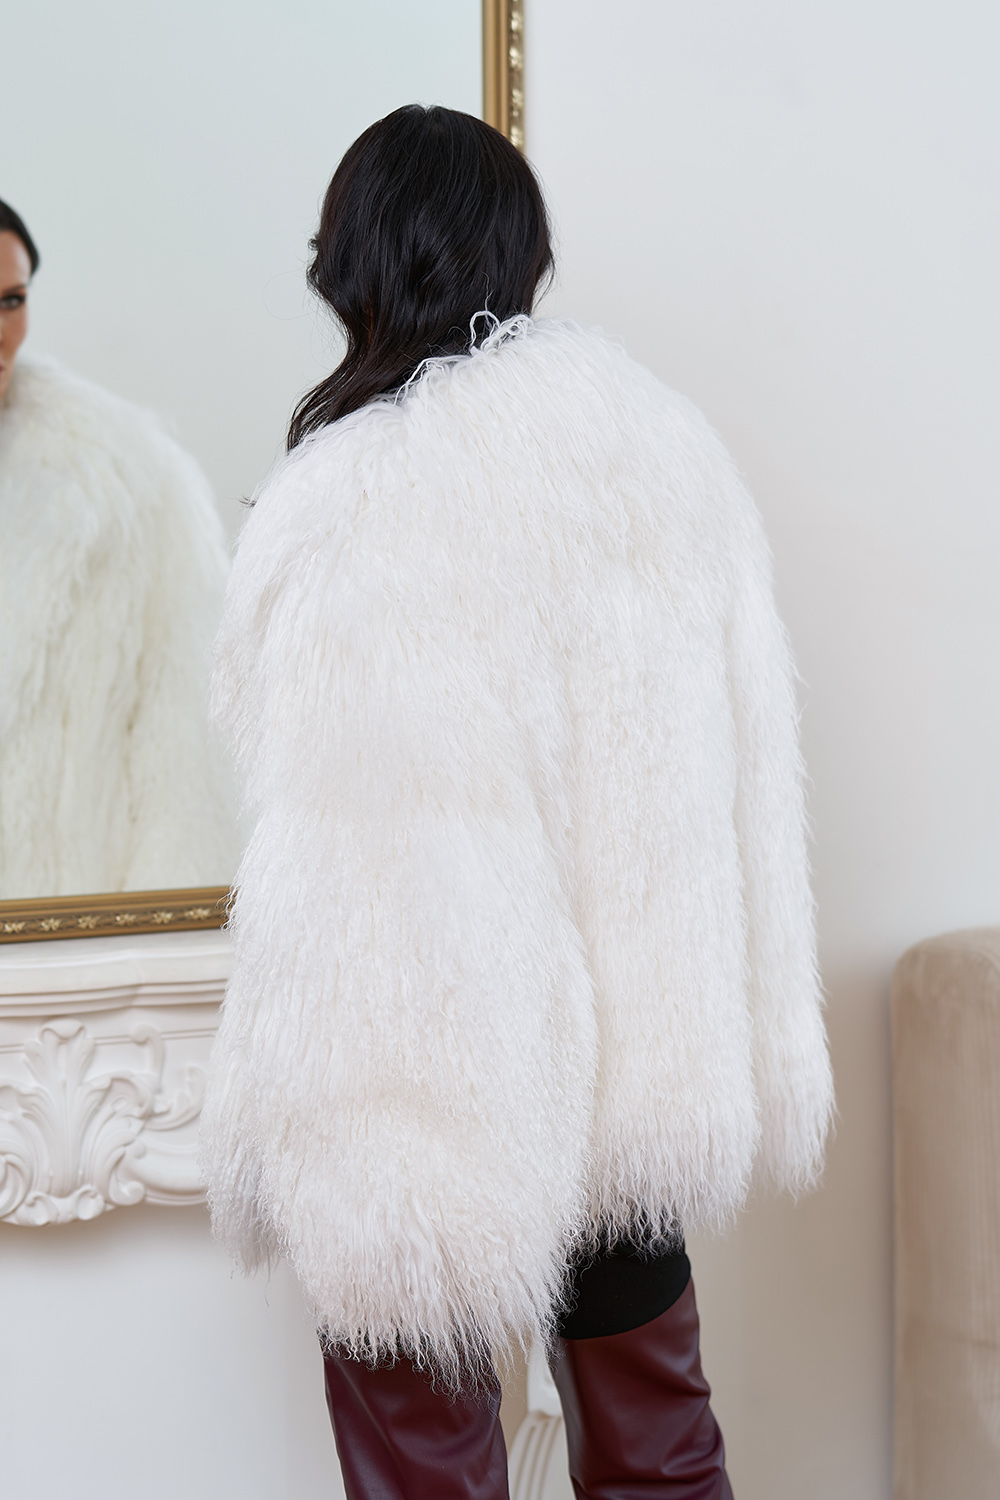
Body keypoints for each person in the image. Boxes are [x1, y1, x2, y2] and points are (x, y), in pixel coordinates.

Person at [202, 106, 833, 1499]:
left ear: (356, 261)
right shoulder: (664, 457)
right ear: (517, 251)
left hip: (415, 1084)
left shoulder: (353, 495)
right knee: (660, 1447)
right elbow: (735, 772)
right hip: (635, 1069)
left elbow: (349, 871)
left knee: (423, 1465)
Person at [0, 199, 238, 898]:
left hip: (63, 945)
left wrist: (142, 953)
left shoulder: (133, 488)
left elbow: (186, 771)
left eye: (12, 301)